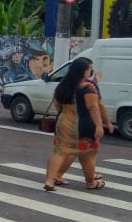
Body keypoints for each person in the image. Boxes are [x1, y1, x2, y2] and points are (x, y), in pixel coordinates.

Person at [43, 57, 106, 191]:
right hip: (81, 123)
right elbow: (93, 107)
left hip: (64, 120)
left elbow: (56, 103)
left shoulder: (63, 85)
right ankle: (90, 181)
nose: (90, 71)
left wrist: (63, 112)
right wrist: (100, 125)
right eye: (89, 69)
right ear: (84, 71)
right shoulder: (88, 87)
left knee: (60, 151)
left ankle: (50, 180)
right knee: (87, 153)